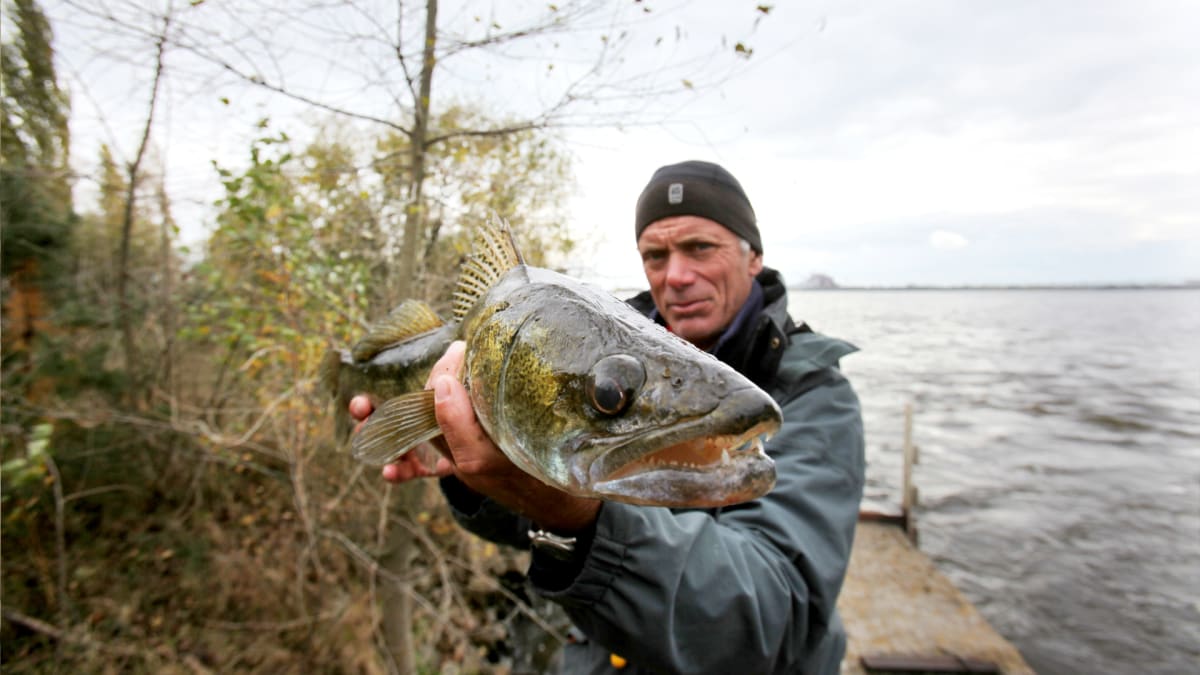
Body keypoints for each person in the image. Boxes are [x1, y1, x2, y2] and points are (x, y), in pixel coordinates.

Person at [350, 160, 865, 674]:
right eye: (655, 255)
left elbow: (772, 619)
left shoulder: (818, 395)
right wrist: (476, 478)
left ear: (753, 257)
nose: (677, 275)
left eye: (701, 248)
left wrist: (575, 514)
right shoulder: (595, 337)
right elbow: (531, 519)